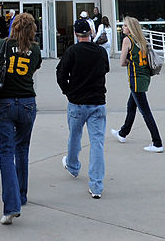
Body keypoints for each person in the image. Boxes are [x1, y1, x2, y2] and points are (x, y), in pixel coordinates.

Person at [0, 12, 42, 225]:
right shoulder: (35, 49)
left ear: (13, 27)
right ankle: (21, 195)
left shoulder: (2, 45)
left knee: (6, 153)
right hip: (27, 102)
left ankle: (11, 205)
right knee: (22, 149)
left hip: (4, 102)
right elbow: (32, 71)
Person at [56, 18, 110, 199]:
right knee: (97, 143)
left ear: (75, 34)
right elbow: (105, 69)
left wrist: (68, 91)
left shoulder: (72, 51)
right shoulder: (100, 52)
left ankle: (73, 166)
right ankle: (96, 185)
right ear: (90, 33)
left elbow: (61, 74)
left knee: (74, 136)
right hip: (97, 102)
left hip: (77, 102)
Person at [111, 16, 163, 153]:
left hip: (136, 79)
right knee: (131, 106)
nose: (123, 27)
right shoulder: (142, 40)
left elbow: (122, 62)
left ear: (131, 28)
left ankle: (157, 143)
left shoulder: (127, 40)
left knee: (145, 112)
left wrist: (129, 61)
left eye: (125, 25)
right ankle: (122, 133)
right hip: (144, 77)